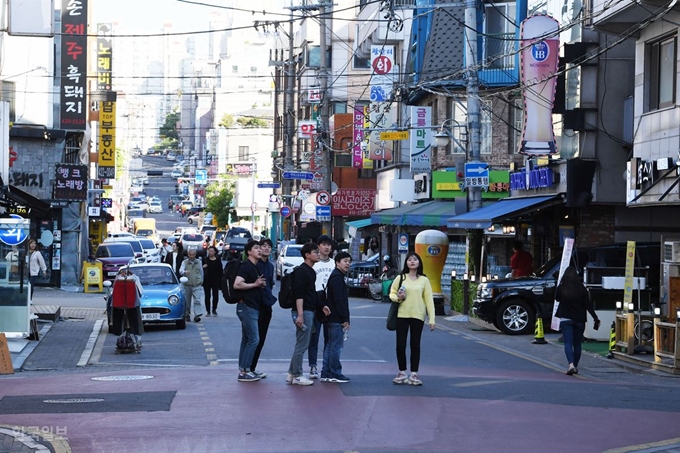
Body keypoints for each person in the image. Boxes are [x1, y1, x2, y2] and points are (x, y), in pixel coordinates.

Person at [389, 252, 436, 386]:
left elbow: (429, 300)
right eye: (409, 260)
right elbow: (392, 292)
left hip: (418, 315)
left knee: (415, 345)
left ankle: (414, 373)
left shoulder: (424, 280)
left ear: (419, 263)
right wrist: (398, 298)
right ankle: (402, 372)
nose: (412, 261)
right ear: (406, 263)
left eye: (415, 259)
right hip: (402, 315)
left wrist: (432, 320)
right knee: (400, 345)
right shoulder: (401, 278)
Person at [286, 242, 323, 386]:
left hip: (308, 310)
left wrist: (321, 306)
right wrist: (300, 315)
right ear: (307, 255)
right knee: (302, 344)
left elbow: (311, 293)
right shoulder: (301, 271)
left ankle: (291, 373)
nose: (318, 254)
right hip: (303, 311)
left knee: (301, 343)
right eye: (315, 252)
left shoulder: (311, 271)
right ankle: (298, 374)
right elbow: (299, 295)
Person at [555, 266, 600, 375]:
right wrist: (595, 318)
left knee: (568, 343)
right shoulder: (582, 288)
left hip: (566, 319)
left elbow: (557, 298)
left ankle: (571, 364)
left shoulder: (561, 288)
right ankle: (575, 365)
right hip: (580, 320)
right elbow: (588, 305)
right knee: (577, 344)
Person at [233, 240, 267, 382]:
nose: (259, 250)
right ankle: (244, 371)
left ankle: (246, 369)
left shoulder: (255, 267)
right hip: (246, 307)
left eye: (260, 248)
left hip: (252, 306)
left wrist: (259, 285)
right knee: (254, 339)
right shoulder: (246, 266)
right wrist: (255, 284)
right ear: (249, 252)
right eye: (256, 248)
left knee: (247, 339)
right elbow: (237, 284)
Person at [320, 251, 352, 383]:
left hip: (331, 317)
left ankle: (326, 372)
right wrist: (345, 318)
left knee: (330, 345)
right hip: (336, 318)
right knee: (335, 346)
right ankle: (334, 372)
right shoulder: (337, 278)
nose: (348, 264)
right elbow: (340, 300)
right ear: (337, 262)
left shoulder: (336, 276)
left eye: (349, 261)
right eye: (345, 261)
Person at [308, 234, 335, 379]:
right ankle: (313, 366)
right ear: (318, 246)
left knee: (329, 338)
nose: (326, 247)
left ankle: (326, 366)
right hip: (315, 304)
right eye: (323, 244)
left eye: (328, 244)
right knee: (313, 337)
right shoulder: (314, 264)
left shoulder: (334, 264)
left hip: (330, 304)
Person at [252, 237, 277, 378]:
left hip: (267, 305)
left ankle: (252, 367)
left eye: (269, 246)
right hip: (255, 306)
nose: (267, 248)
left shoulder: (270, 266)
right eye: (264, 246)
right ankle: (247, 368)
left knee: (261, 339)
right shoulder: (256, 264)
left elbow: (271, 285)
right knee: (253, 339)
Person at [109, 266, 144, 345]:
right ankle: (135, 336)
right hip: (132, 303)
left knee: (120, 320)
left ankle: (121, 333)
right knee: (134, 320)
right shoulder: (134, 279)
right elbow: (140, 292)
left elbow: (113, 291)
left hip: (120, 303)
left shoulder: (119, 279)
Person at [179, 247, 204, 322]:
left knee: (197, 300)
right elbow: (180, 271)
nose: (191, 256)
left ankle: (197, 315)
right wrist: (184, 272)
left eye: (193, 254)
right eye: (190, 254)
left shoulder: (199, 262)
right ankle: (187, 314)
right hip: (187, 285)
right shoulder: (184, 262)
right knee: (187, 301)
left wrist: (201, 281)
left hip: (196, 284)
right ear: (188, 254)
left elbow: (201, 272)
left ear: (195, 254)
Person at [202, 246, 223, 317]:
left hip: (215, 280)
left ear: (215, 252)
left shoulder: (218, 260)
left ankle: (214, 309)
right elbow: (200, 270)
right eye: (209, 251)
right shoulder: (205, 259)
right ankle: (208, 311)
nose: (210, 252)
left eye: (211, 251)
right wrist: (203, 267)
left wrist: (221, 281)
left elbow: (220, 271)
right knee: (207, 296)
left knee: (215, 295)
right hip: (207, 280)